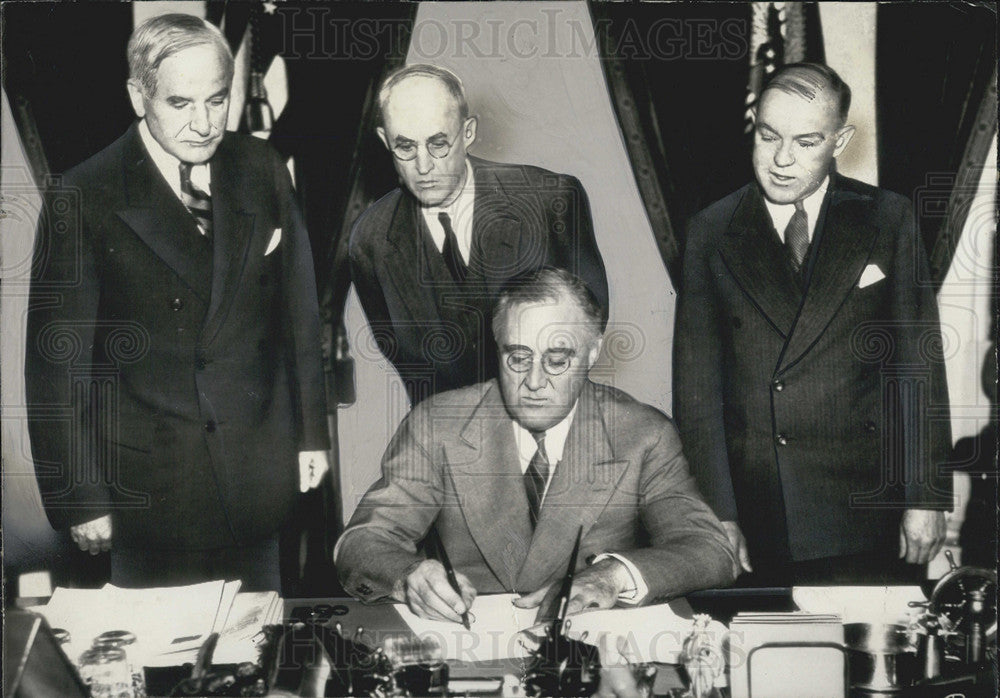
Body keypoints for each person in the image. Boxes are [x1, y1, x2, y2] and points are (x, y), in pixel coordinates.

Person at [24, 14, 330, 591]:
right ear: (139, 97)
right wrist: (81, 496)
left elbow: (299, 313)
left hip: (257, 477)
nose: (203, 123)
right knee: (166, 670)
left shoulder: (262, 169)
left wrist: (311, 432)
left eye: (217, 100)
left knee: (256, 657)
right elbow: (55, 367)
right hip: (149, 494)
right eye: (180, 103)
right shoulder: (83, 194)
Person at [674, 63, 952, 585]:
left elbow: (918, 364)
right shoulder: (711, 230)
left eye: (806, 142)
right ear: (753, 123)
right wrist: (716, 517)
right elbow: (697, 393)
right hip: (759, 512)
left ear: (840, 140)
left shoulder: (886, 218)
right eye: (768, 136)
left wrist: (926, 495)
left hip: (869, 507)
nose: (781, 159)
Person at [336, 268, 734, 621]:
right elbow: (360, 542)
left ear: (593, 351)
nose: (535, 382)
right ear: (497, 349)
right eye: (517, 358)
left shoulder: (643, 433)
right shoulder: (437, 425)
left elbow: (708, 548)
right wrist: (408, 576)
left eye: (557, 359)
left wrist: (612, 576)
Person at [349, 64, 608, 405]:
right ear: (385, 141)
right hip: (446, 437)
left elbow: (589, 323)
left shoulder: (551, 201)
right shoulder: (371, 238)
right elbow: (401, 357)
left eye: (439, 144)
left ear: (468, 132)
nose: (423, 166)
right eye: (406, 147)